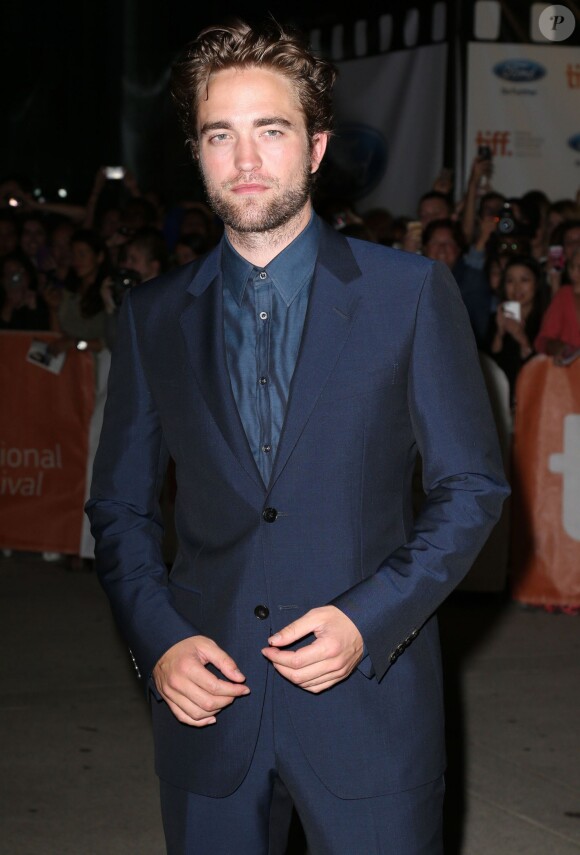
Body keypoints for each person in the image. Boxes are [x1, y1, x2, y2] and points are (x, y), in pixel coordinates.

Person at [86, 18, 509, 855]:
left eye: (271, 130)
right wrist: (159, 639)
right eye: (221, 135)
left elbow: (471, 488)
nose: (246, 160)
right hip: (208, 707)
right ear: (198, 153)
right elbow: (120, 507)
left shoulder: (408, 293)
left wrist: (367, 619)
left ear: (315, 148)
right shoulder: (152, 316)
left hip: (370, 706)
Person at [484, 255, 547, 406]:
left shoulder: (547, 319)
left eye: (524, 280)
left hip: (538, 401)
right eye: (510, 281)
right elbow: (489, 368)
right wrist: (499, 334)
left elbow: (546, 370)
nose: (517, 287)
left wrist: (523, 340)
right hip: (502, 403)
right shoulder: (495, 318)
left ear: (537, 284)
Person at [534, 246, 580, 364]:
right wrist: (560, 348)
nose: (574, 273)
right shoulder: (564, 296)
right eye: (572, 266)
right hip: (568, 371)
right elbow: (545, 340)